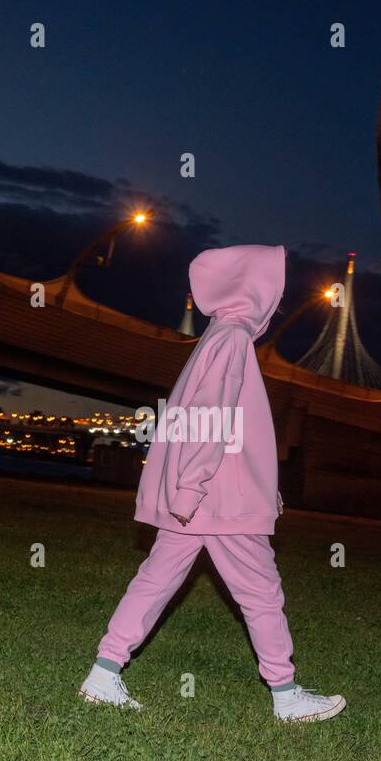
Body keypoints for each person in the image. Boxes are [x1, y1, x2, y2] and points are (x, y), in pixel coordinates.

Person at [78, 244, 346, 723]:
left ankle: (103, 673)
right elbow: (211, 418)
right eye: (273, 288)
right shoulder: (235, 338)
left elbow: (223, 424)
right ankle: (286, 696)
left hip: (206, 494)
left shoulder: (219, 335)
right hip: (217, 499)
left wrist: (240, 487)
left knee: (155, 580)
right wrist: (194, 486)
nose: (277, 300)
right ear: (255, 290)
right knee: (262, 593)